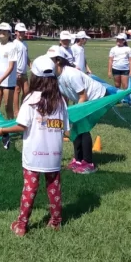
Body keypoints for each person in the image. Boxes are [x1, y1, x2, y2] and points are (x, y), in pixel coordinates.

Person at [0, 55, 69, 236]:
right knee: (54, 188)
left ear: (34, 77)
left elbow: (21, 125)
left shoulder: (30, 100)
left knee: (29, 189)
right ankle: (55, 222)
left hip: (34, 155)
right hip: (54, 155)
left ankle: (21, 226)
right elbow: (65, 129)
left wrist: (3, 130)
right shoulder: (61, 101)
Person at [47, 46, 107, 174]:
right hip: (84, 98)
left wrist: (75, 115)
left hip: (97, 97)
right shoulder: (56, 76)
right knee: (75, 128)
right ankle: (78, 160)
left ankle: (89, 163)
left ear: (58, 61)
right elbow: (63, 96)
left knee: (82, 127)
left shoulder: (71, 74)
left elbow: (83, 96)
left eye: (49, 59)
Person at [12, 22, 30, 119]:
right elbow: (12, 60)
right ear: (16, 32)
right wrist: (15, 72)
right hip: (17, 72)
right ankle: (16, 112)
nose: (22, 33)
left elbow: (27, 57)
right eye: (20, 32)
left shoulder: (25, 44)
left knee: (27, 92)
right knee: (17, 91)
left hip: (24, 72)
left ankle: (23, 109)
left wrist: (31, 65)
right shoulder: (14, 44)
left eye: (23, 32)